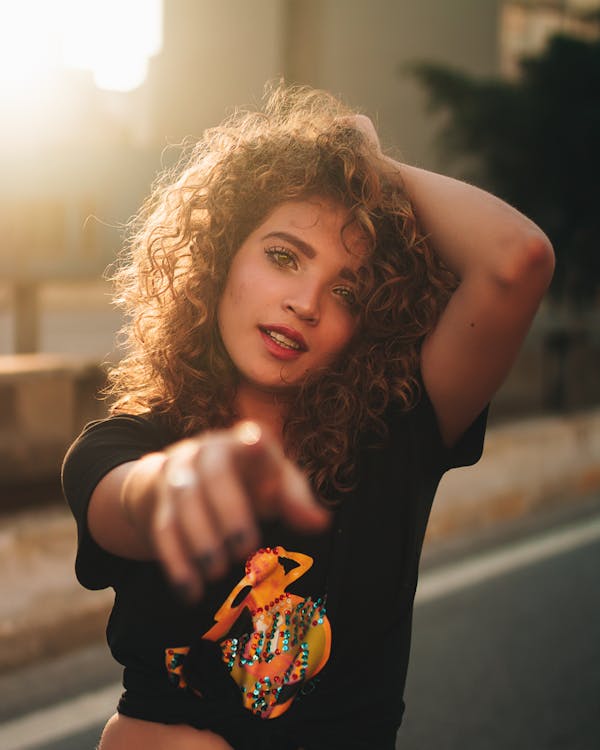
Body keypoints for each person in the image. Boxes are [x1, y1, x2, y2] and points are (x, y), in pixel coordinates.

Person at [61, 83, 554, 750]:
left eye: (346, 289)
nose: (306, 302)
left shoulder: (394, 434)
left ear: (368, 322)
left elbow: (516, 261)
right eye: (283, 256)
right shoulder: (130, 443)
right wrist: (175, 484)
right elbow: (127, 501)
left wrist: (368, 164)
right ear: (220, 256)